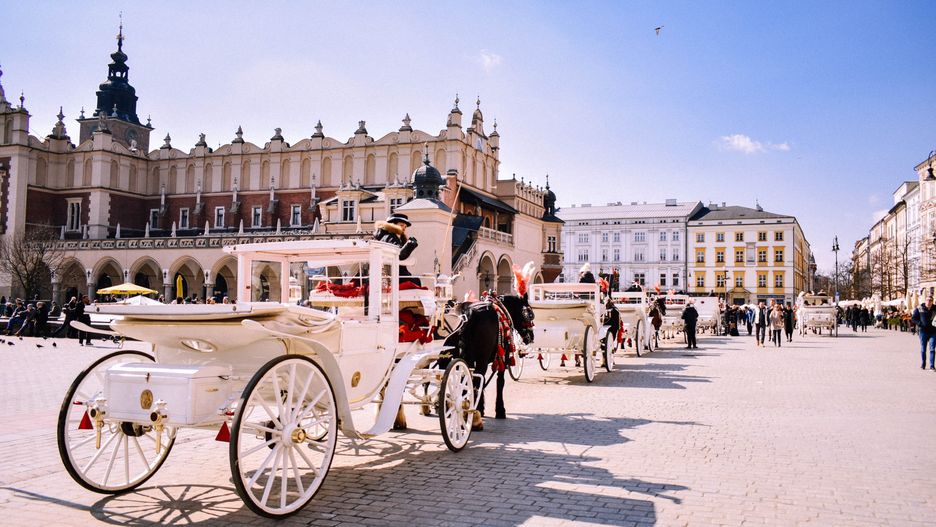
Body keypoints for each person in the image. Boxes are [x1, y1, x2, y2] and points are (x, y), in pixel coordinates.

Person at [374, 213, 419, 284]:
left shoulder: (386, 236)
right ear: (393, 225)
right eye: (401, 225)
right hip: (396, 275)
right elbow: (399, 255)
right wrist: (410, 244)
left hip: (392, 274)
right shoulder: (391, 237)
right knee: (417, 281)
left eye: (405, 226)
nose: (404, 228)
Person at [911, 296, 936, 370]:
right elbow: (913, 318)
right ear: (925, 301)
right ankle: (923, 363)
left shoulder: (935, 308)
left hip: (933, 332)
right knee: (923, 349)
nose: (929, 302)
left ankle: (932, 365)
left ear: (932, 301)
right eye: (927, 300)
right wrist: (920, 324)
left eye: (930, 300)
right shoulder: (919, 308)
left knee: (932, 349)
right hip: (923, 331)